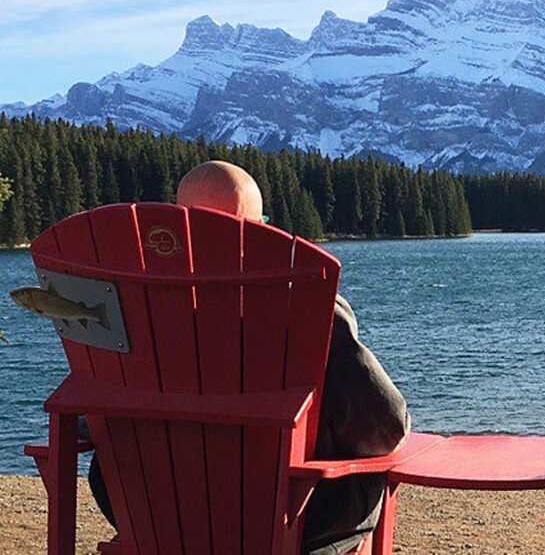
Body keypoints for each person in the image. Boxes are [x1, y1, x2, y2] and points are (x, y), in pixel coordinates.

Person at [87, 161, 410, 555]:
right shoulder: (308, 305)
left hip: (149, 512)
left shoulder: (127, 305)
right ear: (258, 230)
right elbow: (385, 428)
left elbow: (92, 419)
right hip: (288, 520)